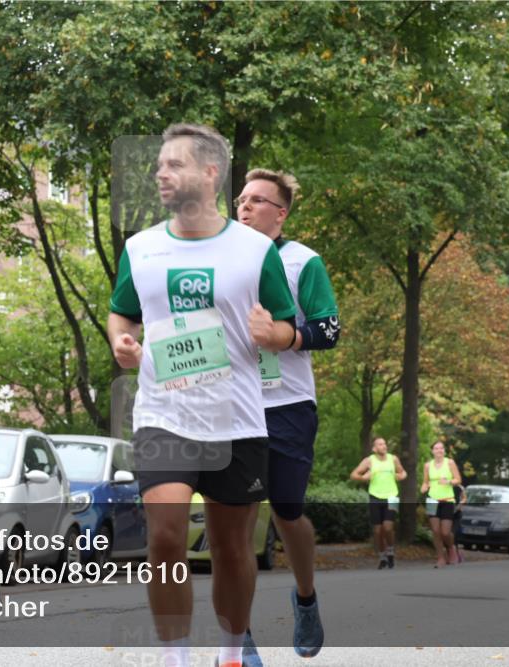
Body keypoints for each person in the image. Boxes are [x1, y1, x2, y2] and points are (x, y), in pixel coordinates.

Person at [108, 124, 298, 667]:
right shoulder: (140, 248)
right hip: (164, 414)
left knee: (233, 549)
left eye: (174, 165)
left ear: (210, 173)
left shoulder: (256, 250)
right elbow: (122, 309)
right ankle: (175, 658)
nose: (161, 174)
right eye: (159, 165)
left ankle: (232, 654)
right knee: (165, 538)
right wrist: (120, 338)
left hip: (236, 418)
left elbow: (285, 327)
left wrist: (274, 335)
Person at [235, 167, 339, 659]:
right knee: (239, 519)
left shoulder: (303, 262)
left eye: (258, 200)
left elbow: (330, 330)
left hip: (288, 404)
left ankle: (305, 597)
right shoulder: (218, 260)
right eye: (241, 198)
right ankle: (240, 632)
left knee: (287, 511)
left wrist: (287, 336)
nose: (245, 206)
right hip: (231, 401)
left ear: (281, 213)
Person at [350, 437, 406, 570]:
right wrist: (363, 478)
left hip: (392, 496)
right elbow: (353, 475)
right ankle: (382, 557)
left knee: (387, 527)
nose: (384, 446)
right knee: (377, 530)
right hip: (375, 496)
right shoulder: (369, 461)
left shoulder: (393, 459)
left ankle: (391, 552)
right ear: (374, 448)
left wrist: (400, 476)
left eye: (385, 443)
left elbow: (403, 472)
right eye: (380, 444)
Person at [420, 441, 461, 568]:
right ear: (432, 451)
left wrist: (448, 481)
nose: (439, 450)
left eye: (441, 448)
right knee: (435, 531)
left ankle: (451, 547)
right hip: (432, 500)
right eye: (436, 448)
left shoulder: (450, 463)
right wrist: (423, 488)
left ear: (444, 450)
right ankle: (440, 558)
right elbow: (425, 482)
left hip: (447, 500)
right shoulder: (427, 465)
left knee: (445, 532)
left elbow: (458, 479)